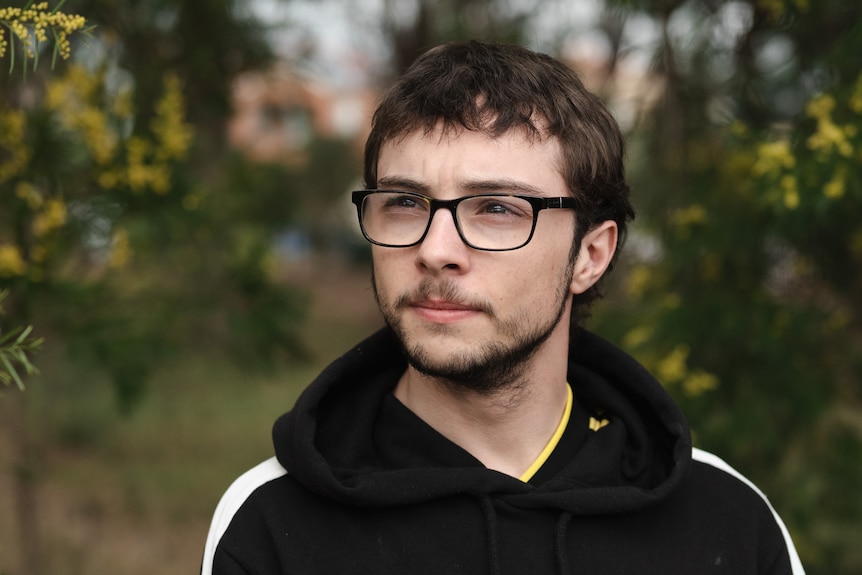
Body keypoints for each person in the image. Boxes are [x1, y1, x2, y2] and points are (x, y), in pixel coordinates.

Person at [201, 40, 804, 574]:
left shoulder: (726, 520)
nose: (435, 251)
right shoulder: (273, 519)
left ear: (590, 255)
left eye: (496, 209)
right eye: (405, 204)